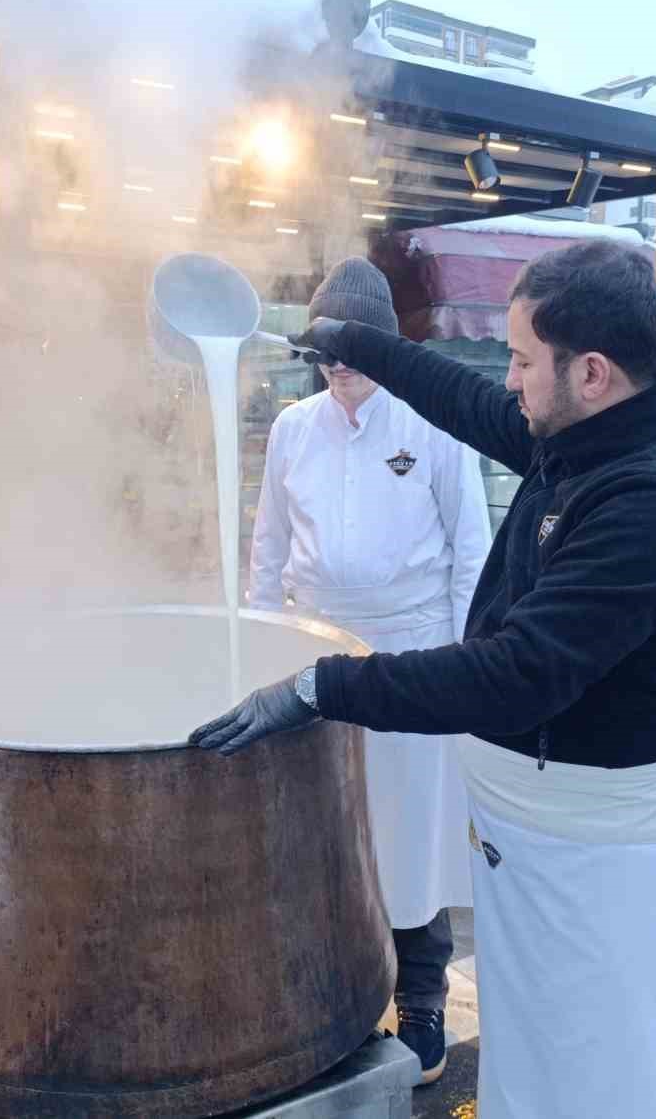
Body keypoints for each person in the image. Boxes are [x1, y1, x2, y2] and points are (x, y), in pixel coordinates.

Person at [190, 240, 656, 1119]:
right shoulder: (586, 436)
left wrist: (321, 687)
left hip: (604, 855)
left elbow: (520, 675)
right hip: (536, 834)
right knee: (536, 1063)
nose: (510, 381)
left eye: (523, 360)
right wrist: (355, 341)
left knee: (616, 1077)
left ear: (592, 372)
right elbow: (466, 400)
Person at [247, 258, 488, 1085]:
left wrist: (467, 671)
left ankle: (420, 996)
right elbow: (268, 551)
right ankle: (336, 988)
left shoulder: (434, 424)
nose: (341, 365)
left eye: (355, 347)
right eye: (328, 350)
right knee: (323, 828)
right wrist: (258, 650)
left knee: (411, 832)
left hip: (414, 652)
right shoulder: (293, 428)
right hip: (314, 649)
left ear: (386, 344)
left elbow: (473, 556)